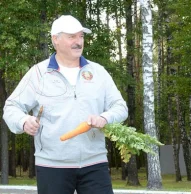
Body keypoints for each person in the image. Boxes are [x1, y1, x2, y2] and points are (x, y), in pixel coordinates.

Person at [3, 15, 128, 194]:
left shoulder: (98, 72)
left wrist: (104, 117)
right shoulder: (38, 73)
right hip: (52, 165)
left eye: (81, 36)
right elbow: (11, 107)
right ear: (55, 40)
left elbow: (120, 107)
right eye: (72, 37)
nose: (78, 42)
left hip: (95, 163)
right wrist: (23, 121)